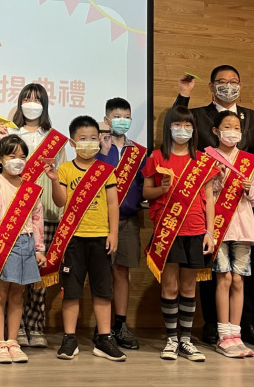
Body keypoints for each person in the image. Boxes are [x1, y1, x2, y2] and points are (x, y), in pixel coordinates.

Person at [173, 66, 254, 347]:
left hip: (245, 207)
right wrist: (184, 95)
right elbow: (178, 127)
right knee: (211, 270)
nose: (229, 86)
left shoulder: (253, 117)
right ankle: (213, 325)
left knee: (244, 272)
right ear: (212, 86)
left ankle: (246, 324)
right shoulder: (198, 115)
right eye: (222, 82)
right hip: (210, 205)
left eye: (234, 82)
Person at [47, 115, 126, 362]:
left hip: (101, 238)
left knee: (103, 290)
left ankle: (104, 338)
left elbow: (112, 204)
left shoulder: (105, 171)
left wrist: (114, 233)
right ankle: (69, 338)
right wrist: (54, 181)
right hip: (73, 238)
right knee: (71, 291)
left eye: (93, 138)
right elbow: (60, 201)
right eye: (83, 138)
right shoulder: (65, 169)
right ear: (72, 142)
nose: (89, 143)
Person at [143, 106, 218, 363]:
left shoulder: (203, 161)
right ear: (169, 127)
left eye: (188, 126)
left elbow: (209, 199)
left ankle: (186, 340)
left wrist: (210, 232)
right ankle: (171, 340)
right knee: (170, 286)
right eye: (177, 125)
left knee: (188, 287)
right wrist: (161, 189)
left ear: (194, 130)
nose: (182, 130)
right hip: (167, 231)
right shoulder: (156, 157)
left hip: (195, 229)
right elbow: (146, 192)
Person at [0, 83, 67, 349]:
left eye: (37, 100)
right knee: (13, 277)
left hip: (45, 212)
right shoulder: (10, 133)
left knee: (38, 274)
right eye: (27, 99)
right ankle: (15, 331)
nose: (31, 104)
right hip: (13, 216)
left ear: (44, 104)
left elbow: (60, 176)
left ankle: (35, 324)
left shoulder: (55, 138)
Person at [0, 135, 45, 364]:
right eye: (12, 156)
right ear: (0, 159)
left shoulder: (31, 189)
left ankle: (13, 342)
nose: (18, 161)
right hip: (0, 245)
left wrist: (39, 249)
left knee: (17, 294)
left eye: (22, 157)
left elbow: (37, 219)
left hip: (25, 243)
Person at [95, 97, 146, 350]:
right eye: (117, 117)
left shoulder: (139, 152)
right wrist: (102, 152)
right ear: (106, 120)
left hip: (127, 221)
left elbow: (144, 188)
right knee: (100, 272)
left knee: (122, 272)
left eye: (126, 117)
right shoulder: (96, 147)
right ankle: (101, 327)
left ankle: (120, 325)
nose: (122, 121)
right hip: (98, 220)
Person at [209, 111, 254, 358]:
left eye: (237, 127)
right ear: (216, 131)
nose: (233, 131)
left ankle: (236, 335)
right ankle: (223, 336)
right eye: (227, 126)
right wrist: (217, 180)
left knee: (239, 280)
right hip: (218, 226)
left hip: (242, 226)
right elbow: (203, 193)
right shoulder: (208, 157)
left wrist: (250, 189)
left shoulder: (249, 161)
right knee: (224, 278)